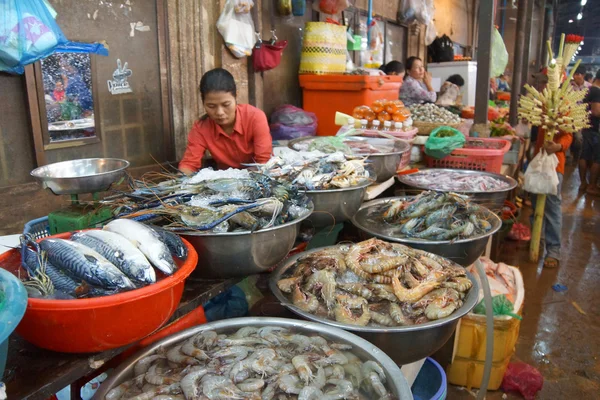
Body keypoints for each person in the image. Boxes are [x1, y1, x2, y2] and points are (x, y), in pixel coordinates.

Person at [179, 68, 272, 173]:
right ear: (203, 101)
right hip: (225, 181)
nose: (219, 112)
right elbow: (189, 164)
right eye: (211, 106)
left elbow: (263, 163)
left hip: (257, 177)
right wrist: (180, 182)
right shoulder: (201, 128)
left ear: (236, 95)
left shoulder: (255, 117)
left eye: (226, 105)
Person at [530, 70, 573, 269]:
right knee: (534, 202)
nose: (543, 85)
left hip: (555, 163)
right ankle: (535, 239)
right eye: (542, 82)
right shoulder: (541, 103)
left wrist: (558, 146)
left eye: (546, 81)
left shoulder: (564, 104)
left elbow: (569, 135)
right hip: (538, 160)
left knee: (552, 207)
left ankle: (553, 250)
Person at [579, 70, 600, 195]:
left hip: (587, 126)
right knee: (598, 158)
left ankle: (583, 184)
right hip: (595, 129)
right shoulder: (597, 92)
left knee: (584, 155)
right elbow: (597, 112)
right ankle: (592, 186)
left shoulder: (589, 90)